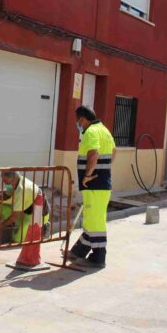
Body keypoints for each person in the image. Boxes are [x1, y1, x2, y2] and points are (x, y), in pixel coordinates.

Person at [66, 105, 115, 268]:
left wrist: (88, 175)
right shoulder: (104, 130)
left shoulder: (91, 132)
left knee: (95, 222)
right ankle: (77, 252)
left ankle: (98, 257)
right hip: (103, 184)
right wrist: (103, 170)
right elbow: (114, 152)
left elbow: (93, 153)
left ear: (82, 119)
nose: (78, 125)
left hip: (93, 185)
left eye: (77, 121)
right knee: (92, 219)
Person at [0, 171, 49, 245]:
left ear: (13, 178)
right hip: (23, 209)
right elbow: (7, 196)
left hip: (36, 216)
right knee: (2, 208)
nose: (4, 183)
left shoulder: (22, 190)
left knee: (18, 239)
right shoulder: (15, 182)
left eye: (5, 181)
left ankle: (43, 227)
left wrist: (0, 226)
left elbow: (13, 218)